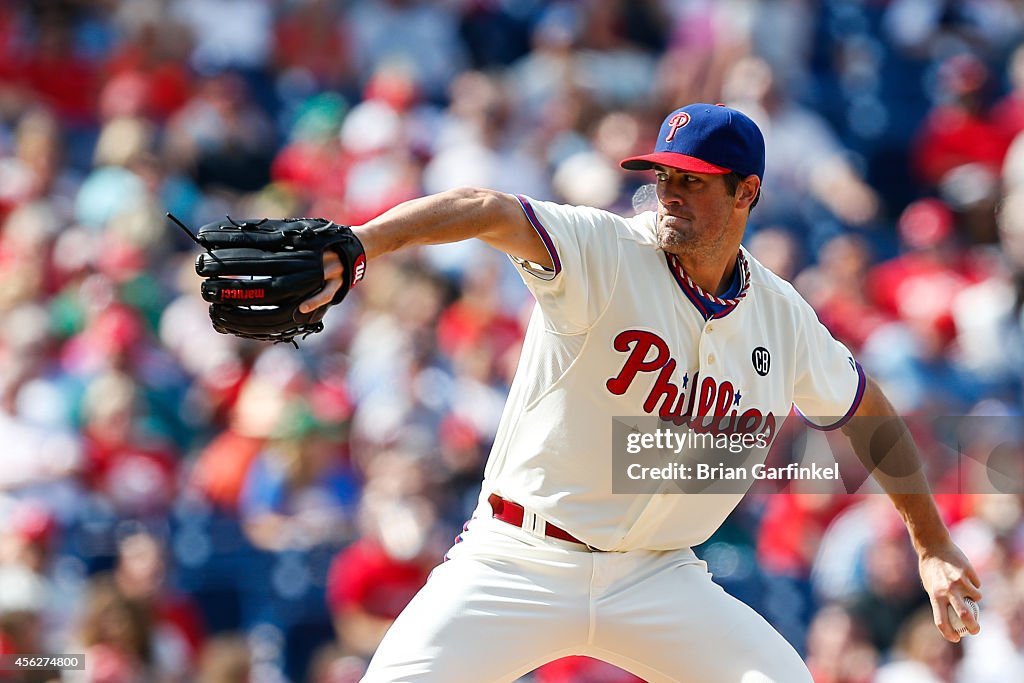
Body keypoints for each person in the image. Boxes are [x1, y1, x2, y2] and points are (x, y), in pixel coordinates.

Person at [298, 103, 982, 682]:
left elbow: (869, 412)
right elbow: (485, 209)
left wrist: (930, 543)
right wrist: (358, 244)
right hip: (519, 557)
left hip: (658, 577)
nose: (670, 191)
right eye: (663, 175)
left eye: (694, 180)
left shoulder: (782, 316)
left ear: (747, 193)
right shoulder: (604, 250)